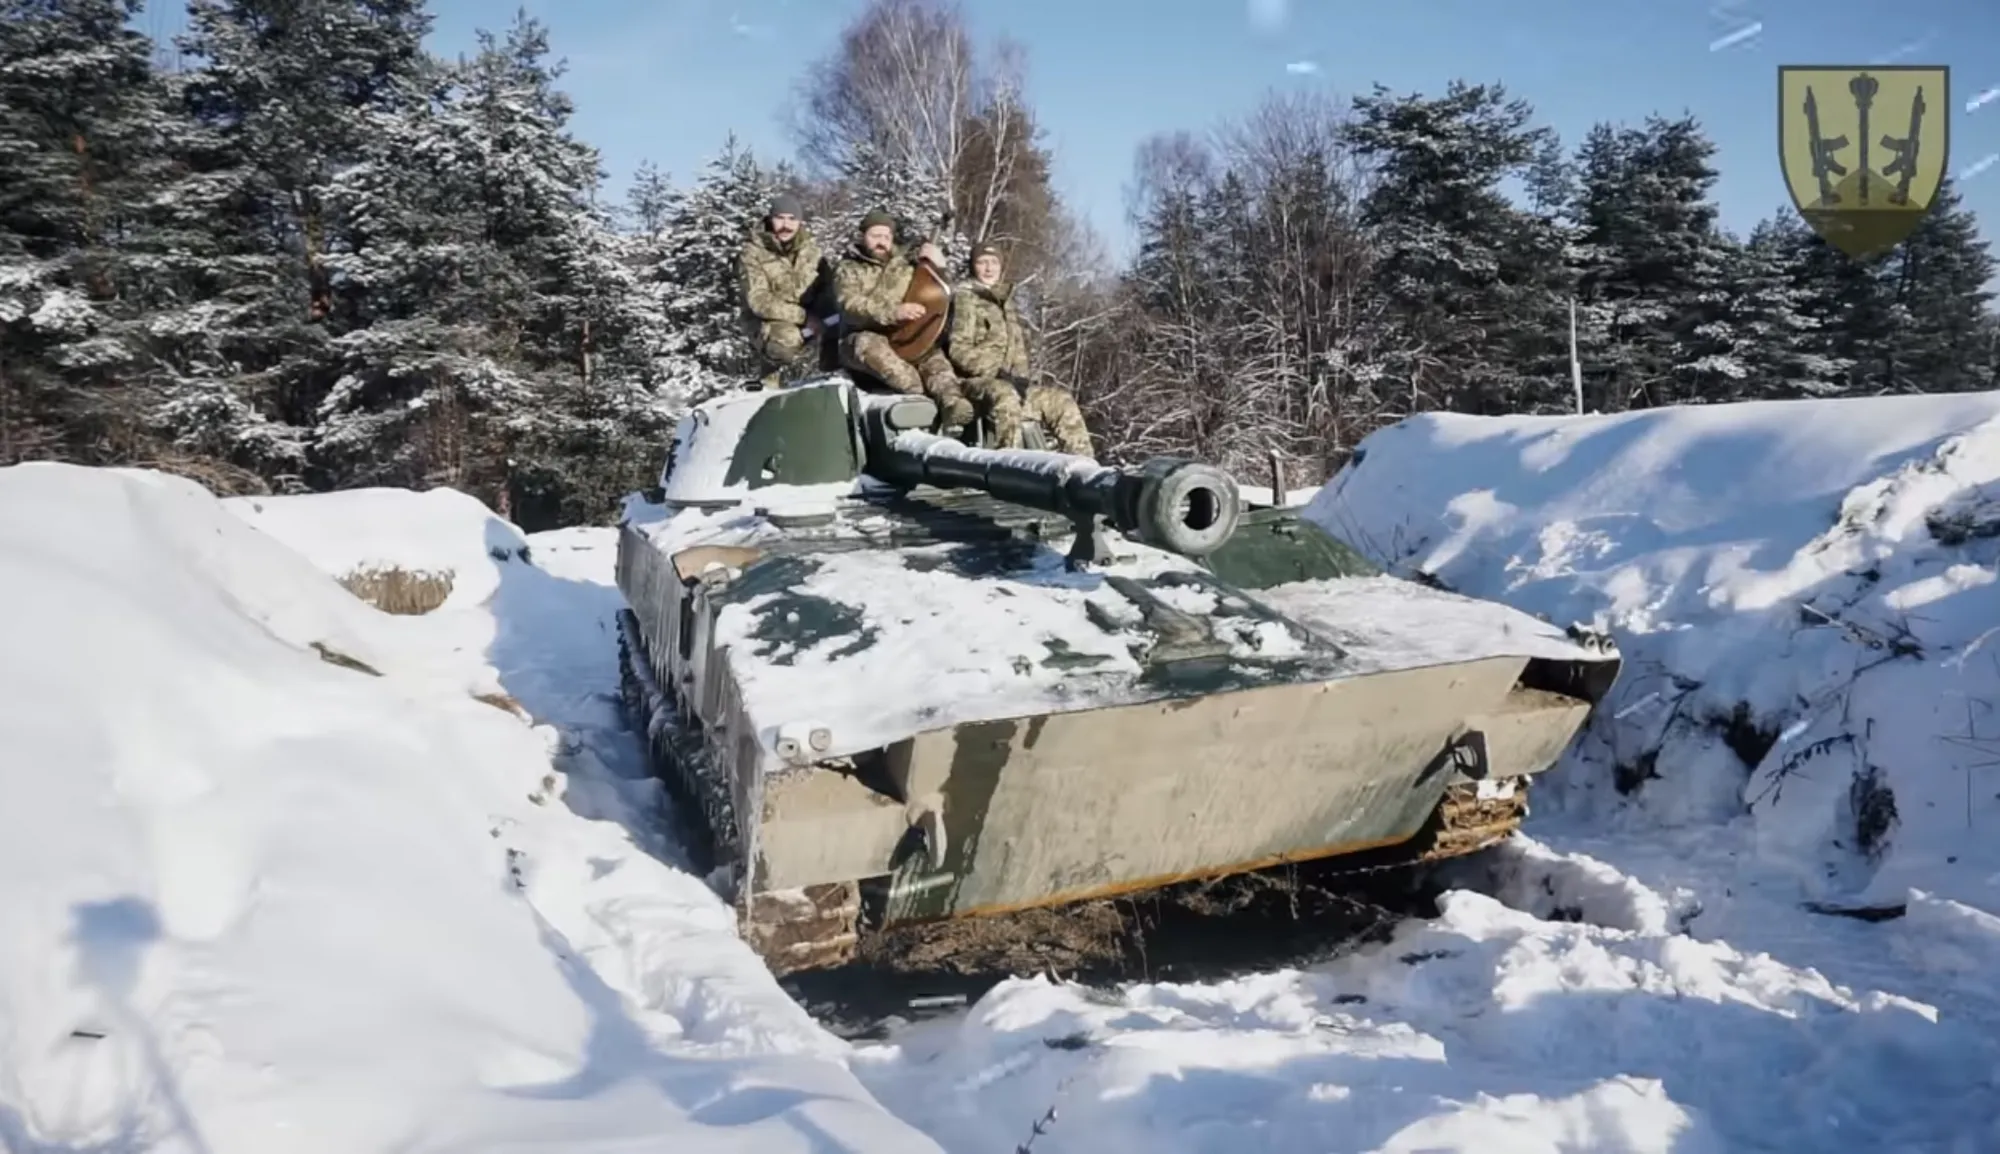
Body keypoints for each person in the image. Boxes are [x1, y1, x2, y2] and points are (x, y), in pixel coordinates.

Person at [830, 210, 976, 432]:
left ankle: (952, 405)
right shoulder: (848, 269)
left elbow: (939, 293)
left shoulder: (905, 266)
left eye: (886, 237)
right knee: (874, 348)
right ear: (863, 237)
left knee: (933, 359)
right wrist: (893, 312)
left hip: (904, 336)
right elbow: (850, 305)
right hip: (861, 338)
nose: (881, 242)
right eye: (875, 235)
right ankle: (921, 402)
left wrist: (940, 267)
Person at [945, 242, 1095, 456]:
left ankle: (1085, 470)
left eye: (994, 263)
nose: (989, 268)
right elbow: (957, 350)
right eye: (982, 262)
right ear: (973, 266)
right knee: (1006, 396)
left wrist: (1022, 379)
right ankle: (1009, 466)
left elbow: (1018, 349)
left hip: (1011, 382)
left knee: (1060, 400)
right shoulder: (965, 299)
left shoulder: (1006, 301)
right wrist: (994, 371)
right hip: (974, 384)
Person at [738, 193, 829, 389]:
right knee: (785, 341)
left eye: (792, 219)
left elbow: (827, 287)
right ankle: (768, 380)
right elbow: (759, 300)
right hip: (767, 321)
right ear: (770, 219)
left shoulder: (811, 251)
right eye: (780, 218)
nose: (786, 225)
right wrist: (804, 318)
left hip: (810, 314)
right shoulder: (753, 253)